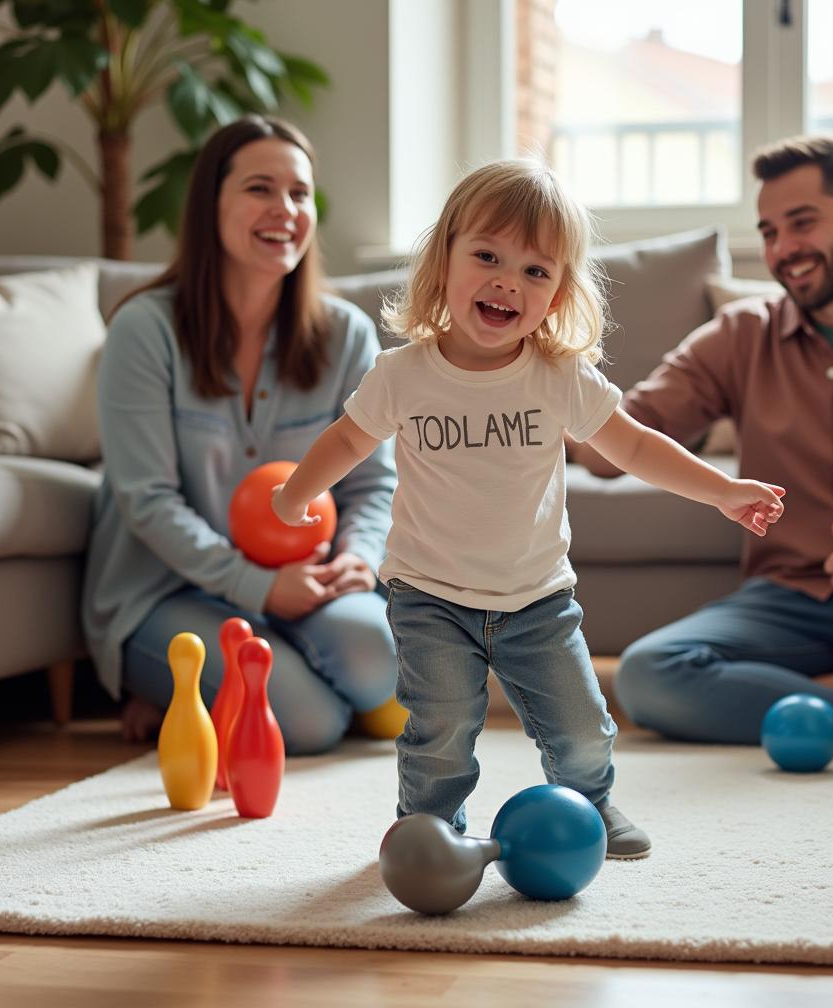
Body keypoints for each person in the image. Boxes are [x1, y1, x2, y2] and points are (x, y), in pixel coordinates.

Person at [270, 158, 786, 858]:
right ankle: (429, 830)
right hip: (430, 596)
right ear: (443, 258)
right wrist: (299, 493)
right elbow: (349, 439)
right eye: (487, 256)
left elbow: (634, 447)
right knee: (439, 729)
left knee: (579, 729)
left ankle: (594, 805)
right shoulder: (404, 374)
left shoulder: (558, 377)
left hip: (536, 599)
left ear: (557, 293)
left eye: (535, 271)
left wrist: (723, 490)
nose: (508, 281)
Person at [566, 135, 833, 754]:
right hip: (790, 602)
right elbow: (611, 451)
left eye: (801, 223)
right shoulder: (741, 335)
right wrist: (553, 392)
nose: (783, 250)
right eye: (769, 231)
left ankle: (814, 694)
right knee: (648, 676)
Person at [82, 116, 398, 752]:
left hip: (304, 580)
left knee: (379, 662)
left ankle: (234, 681)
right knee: (307, 725)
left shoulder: (345, 336)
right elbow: (148, 499)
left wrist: (357, 558)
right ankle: (164, 681)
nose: (284, 209)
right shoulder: (144, 330)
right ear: (211, 204)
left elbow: (373, 482)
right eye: (259, 188)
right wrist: (255, 587)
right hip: (165, 589)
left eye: (300, 193)